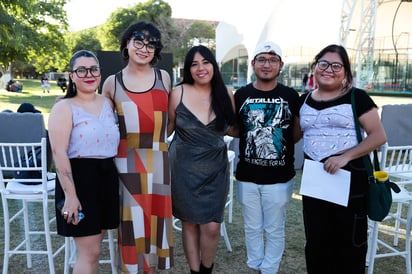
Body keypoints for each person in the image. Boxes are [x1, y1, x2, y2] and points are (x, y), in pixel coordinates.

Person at [294, 44, 387, 274]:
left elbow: (378, 136)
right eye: (323, 64)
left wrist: (345, 156)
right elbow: (294, 135)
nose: (329, 69)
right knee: (316, 244)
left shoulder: (358, 98)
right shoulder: (303, 100)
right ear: (315, 67)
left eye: (337, 65)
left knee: (350, 246)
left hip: (350, 181)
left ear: (345, 71)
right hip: (315, 183)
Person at [102, 21, 173, 274]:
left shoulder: (164, 77)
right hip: (126, 162)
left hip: (158, 160)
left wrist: (157, 144)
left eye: (150, 44)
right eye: (138, 42)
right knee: (133, 224)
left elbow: (171, 119)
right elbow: (104, 125)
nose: (144, 48)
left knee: (155, 223)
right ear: (127, 44)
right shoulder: (112, 82)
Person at [48, 50, 120, 273]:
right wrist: (71, 196)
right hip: (79, 180)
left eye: (94, 69)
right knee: (90, 252)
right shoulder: (64, 107)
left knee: (96, 249)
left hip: (107, 178)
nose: (89, 74)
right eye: (82, 70)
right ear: (72, 75)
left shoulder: (108, 103)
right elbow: (59, 152)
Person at [168, 45, 236, 274]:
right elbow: (166, 129)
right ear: (188, 69)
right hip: (184, 169)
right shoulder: (178, 93)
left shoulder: (225, 93)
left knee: (212, 227)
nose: (201, 68)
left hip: (216, 169)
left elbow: (232, 128)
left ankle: (207, 270)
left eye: (205, 62)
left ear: (213, 65)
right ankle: (195, 272)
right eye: (194, 64)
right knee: (189, 223)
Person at [234, 41, 299, 274]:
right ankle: (254, 265)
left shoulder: (291, 95)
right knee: (252, 226)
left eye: (272, 60)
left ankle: (269, 269)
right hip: (247, 175)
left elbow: (296, 133)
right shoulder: (241, 94)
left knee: (274, 228)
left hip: (280, 176)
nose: (267, 64)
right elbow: (234, 128)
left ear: (280, 65)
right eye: (261, 59)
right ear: (253, 64)